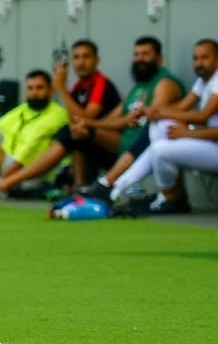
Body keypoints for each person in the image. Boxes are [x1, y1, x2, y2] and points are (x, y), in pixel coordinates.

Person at [0, 37, 180, 201]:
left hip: (134, 147)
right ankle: (78, 188)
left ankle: (3, 185)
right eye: (137, 54)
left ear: (159, 58)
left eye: (146, 54)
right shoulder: (136, 87)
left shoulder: (160, 83)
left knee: (74, 131)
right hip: (118, 145)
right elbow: (113, 120)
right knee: (77, 131)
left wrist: (62, 90)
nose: (140, 59)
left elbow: (91, 117)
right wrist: (86, 125)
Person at [87, 38, 218, 213]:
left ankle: (170, 197)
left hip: (213, 145)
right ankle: (116, 187)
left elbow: (203, 116)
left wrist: (185, 132)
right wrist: (153, 112)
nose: (199, 63)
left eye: (205, 58)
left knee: (160, 150)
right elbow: (181, 108)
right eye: (196, 58)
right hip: (208, 143)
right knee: (160, 125)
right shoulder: (204, 81)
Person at [0, 69, 69, 199]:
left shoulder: (57, 114)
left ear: (50, 90)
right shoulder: (22, 110)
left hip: (36, 170)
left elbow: (30, 147)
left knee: (19, 163)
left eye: (39, 88)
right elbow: (6, 132)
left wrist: (7, 174)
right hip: (13, 161)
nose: (34, 92)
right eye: (30, 88)